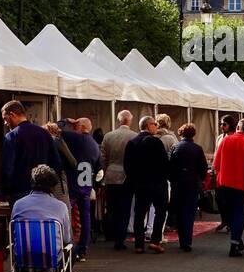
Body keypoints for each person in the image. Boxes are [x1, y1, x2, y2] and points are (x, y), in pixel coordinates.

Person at [11, 164, 75, 272]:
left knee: (20, 245)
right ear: (52, 186)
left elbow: (13, 234)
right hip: (51, 256)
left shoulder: (18, 204)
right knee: (70, 249)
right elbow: (66, 238)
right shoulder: (60, 206)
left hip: (24, 256)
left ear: (32, 183)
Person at [124, 114, 169, 253]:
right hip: (157, 183)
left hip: (140, 184)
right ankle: (155, 241)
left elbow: (127, 166)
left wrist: (135, 180)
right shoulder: (156, 142)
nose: (156, 126)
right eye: (154, 124)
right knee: (160, 211)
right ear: (148, 126)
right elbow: (164, 163)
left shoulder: (132, 142)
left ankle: (139, 244)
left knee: (140, 213)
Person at [213, 117, 244, 257]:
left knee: (231, 214)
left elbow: (216, 164)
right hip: (239, 185)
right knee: (239, 215)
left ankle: (237, 241)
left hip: (224, 184)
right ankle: (235, 244)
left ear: (237, 127)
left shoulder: (225, 140)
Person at [0, 101, 58, 205]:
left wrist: (6, 191)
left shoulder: (12, 136)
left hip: (19, 192)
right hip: (43, 191)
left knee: (21, 220)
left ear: (12, 115)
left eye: (5, 118)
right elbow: (55, 162)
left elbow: (7, 168)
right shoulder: (44, 133)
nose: (5, 123)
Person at [61, 117, 99, 262]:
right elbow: (97, 166)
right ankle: (83, 248)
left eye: (76, 125)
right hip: (87, 183)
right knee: (85, 216)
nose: (74, 127)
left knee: (66, 213)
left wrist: (66, 120)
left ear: (81, 126)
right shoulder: (94, 144)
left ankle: (68, 246)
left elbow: (56, 129)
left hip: (72, 182)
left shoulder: (74, 138)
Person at [168, 123, 207, 253]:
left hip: (178, 183)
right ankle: (187, 241)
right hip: (192, 183)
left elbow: (169, 165)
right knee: (189, 212)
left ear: (181, 133)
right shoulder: (197, 148)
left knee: (179, 212)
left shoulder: (175, 147)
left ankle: (182, 239)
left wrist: (173, 178)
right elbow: (203, 168)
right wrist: (199, 179)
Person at [100, 109, 136, 250]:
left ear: (118, 120)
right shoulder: (134, 136)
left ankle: (111, 234)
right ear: (129, 120)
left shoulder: (108, 136)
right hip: (126, 177)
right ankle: (120, 239)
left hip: (110, 175)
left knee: (112, 207)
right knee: (125, 209)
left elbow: (102, 157)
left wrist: (106, 169)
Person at [214, 114, 236, 232]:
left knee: (229, 199)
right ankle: (224, 220)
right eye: (221, 124)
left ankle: (230, 222)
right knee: (219, 198)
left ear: (230, 124)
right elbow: (216, 153)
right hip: (220, 172)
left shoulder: (235, 138)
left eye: (224, 124)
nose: (222, 126)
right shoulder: (219, 138)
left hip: (231, 172)